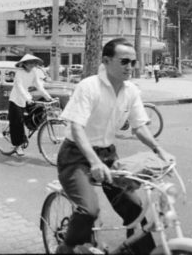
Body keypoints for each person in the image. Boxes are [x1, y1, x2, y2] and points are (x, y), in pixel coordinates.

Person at [55, 38, 174, 254]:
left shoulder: (131, 91)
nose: (130, 67)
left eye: (134, 62)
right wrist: (94, 162)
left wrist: (160, 150)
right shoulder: (88, 86)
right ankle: (66, 246)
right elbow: (76, 129)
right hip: (75, 156)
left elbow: (139, 127)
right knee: (89, 210)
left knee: (135, 208)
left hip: (108, 155)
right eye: (124, 61)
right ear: (106, 61)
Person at [8, 54, 53, 156]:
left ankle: (28, 127)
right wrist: (27, 98)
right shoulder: (19, 73)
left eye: (34, 62)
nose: (32, 64)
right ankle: (18, 146)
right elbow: (19, 87)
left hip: (27, 98)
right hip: (16, 99)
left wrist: (48, 97)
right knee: (17, 123)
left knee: (39, 110)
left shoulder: (34, 72)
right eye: (30, 63)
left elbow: (38, 85)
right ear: (24, 64)